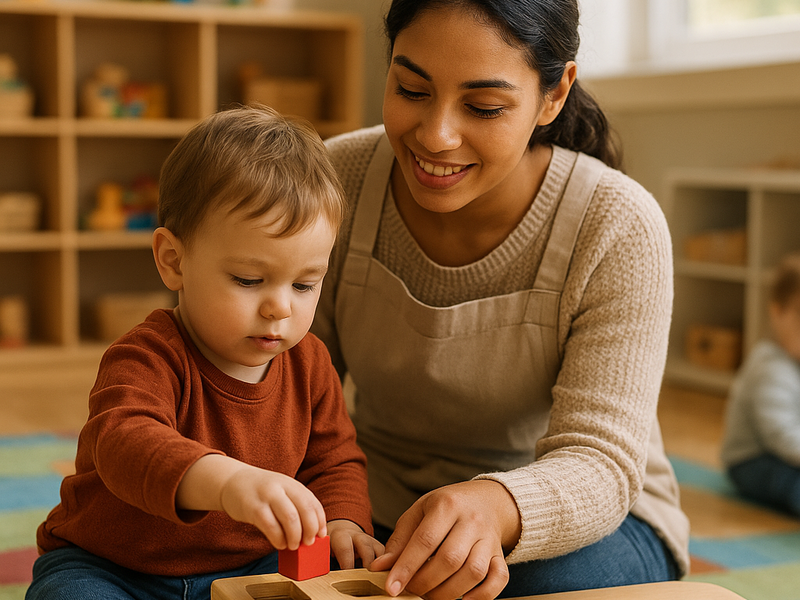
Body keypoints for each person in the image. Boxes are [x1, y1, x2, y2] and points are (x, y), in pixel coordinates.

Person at [310, 1, 690, 598]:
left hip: (576, 524)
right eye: (411, 89)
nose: (436, 135)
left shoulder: (618, 223)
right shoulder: (338, 180)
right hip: (367, 505)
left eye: (483, 106)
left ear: (554, 93)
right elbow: (284, 392)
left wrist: (496, 505)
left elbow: (601, 462)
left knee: (492, 588)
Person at [27, 106, 383, 600]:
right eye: (248, 280)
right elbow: (124, 442)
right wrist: (227, 481)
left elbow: (334, 459)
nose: (280, 306)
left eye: (305, 283)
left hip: (246, 566)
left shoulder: (310, 364)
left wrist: (343, 521)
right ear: (174, 261)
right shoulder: (145, 356)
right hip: (115, 566)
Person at [721, 251, 800, 516]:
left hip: (790, 451)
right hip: (753, 458)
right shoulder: (769, 367)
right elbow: (780, 435)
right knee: (791, 483)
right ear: (777, 311)